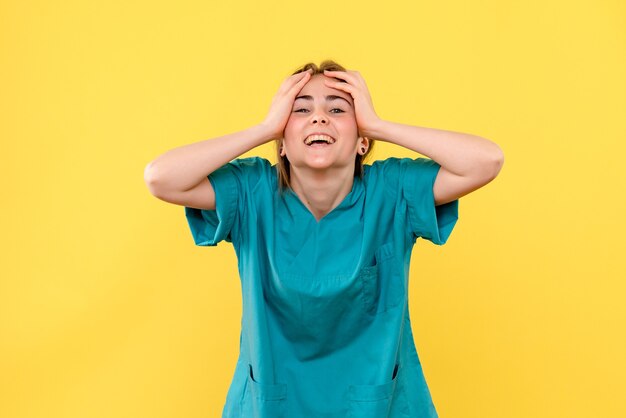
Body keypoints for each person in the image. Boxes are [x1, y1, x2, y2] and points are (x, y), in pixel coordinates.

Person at [144, 60, 504, 418]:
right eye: (300, 109)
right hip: (271, 406)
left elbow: (486, 160)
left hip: (380, 407)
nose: (319, 117)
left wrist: (378, 124)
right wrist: (265, 127)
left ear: (362, 142)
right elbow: (161, 178)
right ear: (281, 144)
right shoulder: (252, 192)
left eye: (337, 108)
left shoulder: (392, 190)